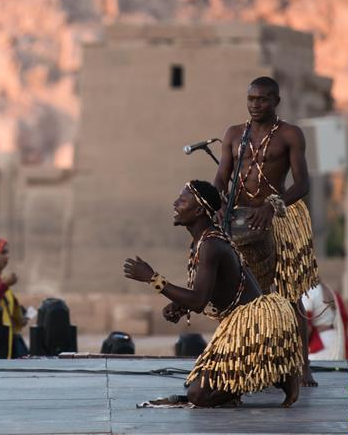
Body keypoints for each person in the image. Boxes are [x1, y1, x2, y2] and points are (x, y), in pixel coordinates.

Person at [124, 180, 302, 407]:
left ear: (199, 210)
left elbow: (199, 301)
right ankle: (275, 372)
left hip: (256, 324)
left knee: (198, 396)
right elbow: (208, 290)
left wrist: (154, 279)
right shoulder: (203, 241)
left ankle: (276, 373)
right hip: (245, 321)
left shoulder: (210, 245)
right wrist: (181, 305)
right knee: (198, 388)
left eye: (182, 200)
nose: (175, 204)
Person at [213, 76, 320, 386]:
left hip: (280, 216)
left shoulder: (290, 134)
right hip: (240, 219)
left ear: (276, 101)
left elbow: (302, 183)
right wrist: (217, 201)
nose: (255, 104)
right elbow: (221, 176)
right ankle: (240, 364)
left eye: (262, 99)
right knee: (238, 293)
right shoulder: (234, 134)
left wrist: (271, 207)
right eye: (251, 99)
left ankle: (302, 365)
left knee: (290, 293)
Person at [302, 281, 347, 360]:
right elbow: (344, 317)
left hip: (321, 342)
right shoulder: (330, 290)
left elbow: (306, 326)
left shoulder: (310, 291)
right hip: (336, 338)